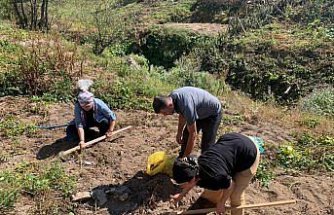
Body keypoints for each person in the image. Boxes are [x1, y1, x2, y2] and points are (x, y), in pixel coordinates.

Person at [171, 133, 260, 215]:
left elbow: (231, 184)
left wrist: (222, 203)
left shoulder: (215, 176)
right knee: (212, 192)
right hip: (232, 143)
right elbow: (191, 182)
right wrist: (181, 195)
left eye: (182, 185)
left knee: (235, 196)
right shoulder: (194, 167)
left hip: (248, 154)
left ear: (192, 178)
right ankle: (208, 204)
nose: (181, 187)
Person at [153, 87, 222, 158]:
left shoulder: (186, 105)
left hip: (213, 113)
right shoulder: (173, 98)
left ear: (169, 105)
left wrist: (185, 157)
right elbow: (182, 114)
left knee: (207, 144)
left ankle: (207, 164)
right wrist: (179, 132)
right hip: (199, 112)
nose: (165, 115)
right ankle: (182, 157)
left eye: (164, 112)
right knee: (186, 134)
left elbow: (193, 134)